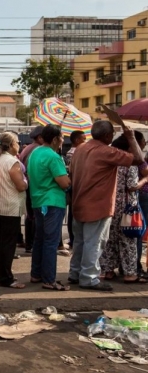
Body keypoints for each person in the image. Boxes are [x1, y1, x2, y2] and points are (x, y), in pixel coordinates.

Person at [69, 120, 144, 291]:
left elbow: (72, 173)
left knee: (80, 242)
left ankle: (75, 273)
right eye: (111, 134)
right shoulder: (106, 151)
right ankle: (88, 278)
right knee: (94, 242)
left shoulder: (80, 149)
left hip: (79, 201)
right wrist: (130, 137)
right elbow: (139, 159)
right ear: (107, 136)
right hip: (98, 204)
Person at [27, 125, 71, 291]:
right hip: (52, 202)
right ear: (54, 139)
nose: (62, 141)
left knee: (40, 239)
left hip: (38, 201)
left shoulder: (35, 153)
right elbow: (63, 182)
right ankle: (49, 280)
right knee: (51, 242)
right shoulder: (53, 157)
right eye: (61, 138)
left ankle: (36, 274)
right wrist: (70, 181)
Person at [100, 131, 147, 283]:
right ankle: (130, 273)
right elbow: (132, 186)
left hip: (109, 204)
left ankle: (107, 271)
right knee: (129, 240)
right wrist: (145, 179)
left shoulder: (110, 160)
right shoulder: (129, 162)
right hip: (127, 207)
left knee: (110, 239)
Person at [0, 132, 28, 289]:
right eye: (17, 142)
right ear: (11, 145)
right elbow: (20, 185)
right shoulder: (12, 162)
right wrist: (25, 182)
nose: (19, 145)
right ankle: (6, 278)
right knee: (8, 243)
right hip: (10, 205)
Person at [20, 125, 44, 254]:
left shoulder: (28, 148)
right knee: (35, 216)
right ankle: (32, 244)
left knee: (30, 216)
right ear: (40, 138)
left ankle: (29, 244)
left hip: (29, 187)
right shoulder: (37, 150)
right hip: (34, 187)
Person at [64, 130, 87, 249]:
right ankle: (73, 238)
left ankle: (73, 238)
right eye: (84, 139)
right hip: (74, 185)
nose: (86, 142)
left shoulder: (72, 152)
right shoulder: (74, 153)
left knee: (72, 213)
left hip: (73, 185)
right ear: (77, 140)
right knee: (73, 213)